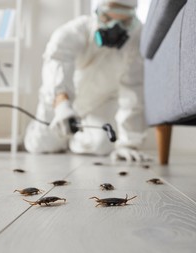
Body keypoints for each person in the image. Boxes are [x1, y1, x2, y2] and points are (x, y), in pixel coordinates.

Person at [24, 0, 149, 162]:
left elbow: (133, 90)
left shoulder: (136, 38)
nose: (115, 28)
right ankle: (51, 134)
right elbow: (57, 59)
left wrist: (129, 144)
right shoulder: (76, 29)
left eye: (123, 21)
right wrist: (62, 104)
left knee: (102, 144)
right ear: (98, 12)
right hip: (60, 100)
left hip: (99, 104)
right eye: (108, 18)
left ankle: (72, 141)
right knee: (40, 145)